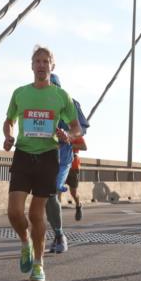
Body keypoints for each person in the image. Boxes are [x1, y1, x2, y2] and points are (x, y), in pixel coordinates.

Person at [3, 46, 81, 281]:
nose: (41, 65)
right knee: (14, 212)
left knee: (36, 214)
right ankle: (24, 242)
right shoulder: (20, 93)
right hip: (24, 154)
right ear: (32, 65)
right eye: (37, 61)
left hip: (48, 157)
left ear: (52, 66)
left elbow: (76, 126)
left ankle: (38, 265)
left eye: (45, 61)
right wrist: (8, 135)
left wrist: (69, 135)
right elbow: (9, 121)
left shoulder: (61, 96)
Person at [45, 73, 88, 254]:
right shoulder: (37, 102)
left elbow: (82, 128)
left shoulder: (71, 103)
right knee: (48, 196)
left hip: (63, 157)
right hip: (42, 154)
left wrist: (69, 134)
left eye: (54, 85)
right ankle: (56, 234)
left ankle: (60, 236)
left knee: (53, 189)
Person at [67, 149, 83, 220]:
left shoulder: (75, 138)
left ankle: (78, 205)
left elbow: (84, 147)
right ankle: (54, 212)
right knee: (56, 189)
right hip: (61, 165)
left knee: (73, 193)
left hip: (73, 168)